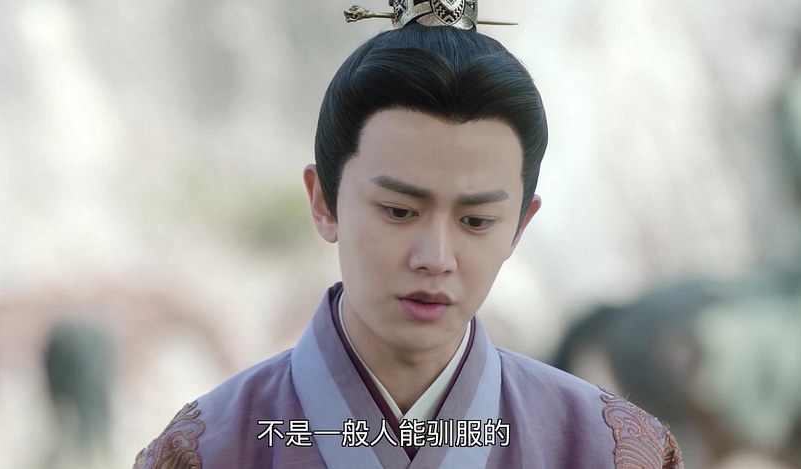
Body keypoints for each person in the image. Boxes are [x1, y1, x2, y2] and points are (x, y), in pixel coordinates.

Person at [134, 1, 683, 467]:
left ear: (520, 226)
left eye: (476, 221)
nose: (435, 257)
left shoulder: (609, 450)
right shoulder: (208, 450)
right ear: (324, 203)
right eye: (399, 211)